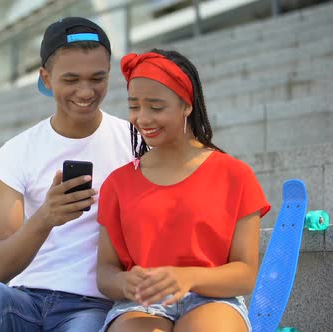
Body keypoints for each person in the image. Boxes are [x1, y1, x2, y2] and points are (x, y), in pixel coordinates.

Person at [0, 17, 136, 331]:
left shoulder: (135, 143)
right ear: (46, 79)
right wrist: (46, 216)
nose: (85, 91)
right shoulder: (17, 151)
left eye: (97, 78)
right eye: (71, 79)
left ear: (110, 73)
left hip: (93, 306)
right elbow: (1, 267)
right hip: (25, 301)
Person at [95, 49, 271, 332]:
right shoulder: (117, 183)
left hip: (214, 299)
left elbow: (246, 274)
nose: (143, 118)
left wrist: (187, 277)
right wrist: (124, 283)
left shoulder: (235, 175)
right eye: (134, 106)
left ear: (187, 105)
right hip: (140, 305)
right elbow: (105, 271)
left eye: (156, 107)